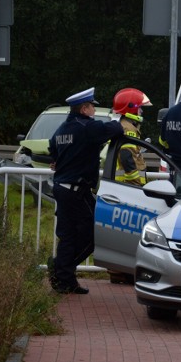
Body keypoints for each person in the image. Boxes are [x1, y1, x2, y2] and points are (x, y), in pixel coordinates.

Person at [47, 87, 123, 294]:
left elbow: (52, 148)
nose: (93, 111)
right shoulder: (87, 127)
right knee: (92, 236)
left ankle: (64, 280)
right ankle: (61, 270)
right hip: (76, 191)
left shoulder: (62, 129)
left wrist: (60, 161)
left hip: (62, 188)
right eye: (91, 107)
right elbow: (116, 130)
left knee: (68, 235)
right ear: (83, 109)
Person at [112, 87, 152, 186]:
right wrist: (136, 184)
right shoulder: (128, 129)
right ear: (131, 108)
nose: (141, 111)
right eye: (139, 108)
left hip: (123, 184)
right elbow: (127, 158)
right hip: (128, 186)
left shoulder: (125, 125)